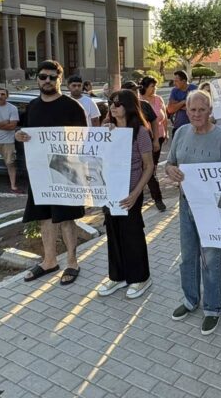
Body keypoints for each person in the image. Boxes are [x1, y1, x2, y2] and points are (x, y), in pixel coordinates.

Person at [165, 90, 221, 335]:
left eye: (201, 110)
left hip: (212, 209)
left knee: (210, 260)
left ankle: (213, 308)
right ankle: (190, 299)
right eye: (192, 110)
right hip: (186, 204)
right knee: (188, 257)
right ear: (186, 110)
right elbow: (170, 163)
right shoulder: (181, 133)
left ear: (210, 111)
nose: (196, 114)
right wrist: (170, 171)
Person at [15, 60, 89, 286]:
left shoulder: (72, 106)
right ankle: (49, 261)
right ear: (37, 79)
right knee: (44, 217)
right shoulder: (32, 107)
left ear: (59, 79)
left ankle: (72, 263)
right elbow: (24, 134)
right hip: (40, 173)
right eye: (42, 76)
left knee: (66, 218)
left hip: (65, 171)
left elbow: (85, 140)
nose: (47, 80)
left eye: (52, 77)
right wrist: (19, 136)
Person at [96, 89, 156, 299]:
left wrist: (136, 193)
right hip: (110, 191)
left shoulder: (140, 132)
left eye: (118, 103)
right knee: (113, 233)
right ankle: (118, 275)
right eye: (111, 103)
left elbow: (149, 166)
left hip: (130, 193)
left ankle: (141, 278)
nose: (113, 107)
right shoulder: (107, 130)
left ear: (129, 106)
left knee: (132, 234)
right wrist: (104, 134)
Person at [139, 76, 168, 211]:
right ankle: (157, 199)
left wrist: (165, 133)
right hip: (144, 139)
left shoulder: (158, 99)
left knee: (152, 168)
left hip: (158, 137)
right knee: (148, 169)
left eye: (155, 86)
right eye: (152, 86)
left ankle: (156, 197)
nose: (154, 89)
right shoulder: (139, 101)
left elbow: (164, 117)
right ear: (144, 87)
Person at [166, 70, 197, 139]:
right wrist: (183, 102)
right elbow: (170, 109)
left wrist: (177, 104)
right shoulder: (174, 91)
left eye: (176, 81)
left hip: (194, 127)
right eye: (174, 81)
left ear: (184, 81)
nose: (174, 83)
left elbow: (197, 107)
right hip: (178, 127)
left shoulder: (195, 89)